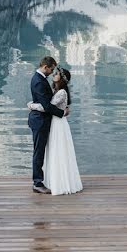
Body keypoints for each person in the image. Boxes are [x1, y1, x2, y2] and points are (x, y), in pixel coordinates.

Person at [28, 67, 83, 195]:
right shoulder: (57, 91)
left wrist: (30, 105)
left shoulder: (61, 92)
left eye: (57, 73)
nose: (54, 74)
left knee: (58, 151)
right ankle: (53, 180)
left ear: (62, 78)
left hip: (58, 125)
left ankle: (60, 181)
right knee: (53, 151)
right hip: (54, 123)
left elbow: (46, 107)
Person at [28, 56, 68, 194]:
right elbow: (46, 106)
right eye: (51, 69)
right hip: (39, 120)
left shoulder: (40, 79)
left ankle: (41, 180)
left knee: (41, 151)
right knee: (39, 152)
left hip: (41, 120)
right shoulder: (39, 81)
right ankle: (37, 183)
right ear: (46, 67)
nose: (52, 72)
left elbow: (45, 102)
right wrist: (62, 113)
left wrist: (32, 105)